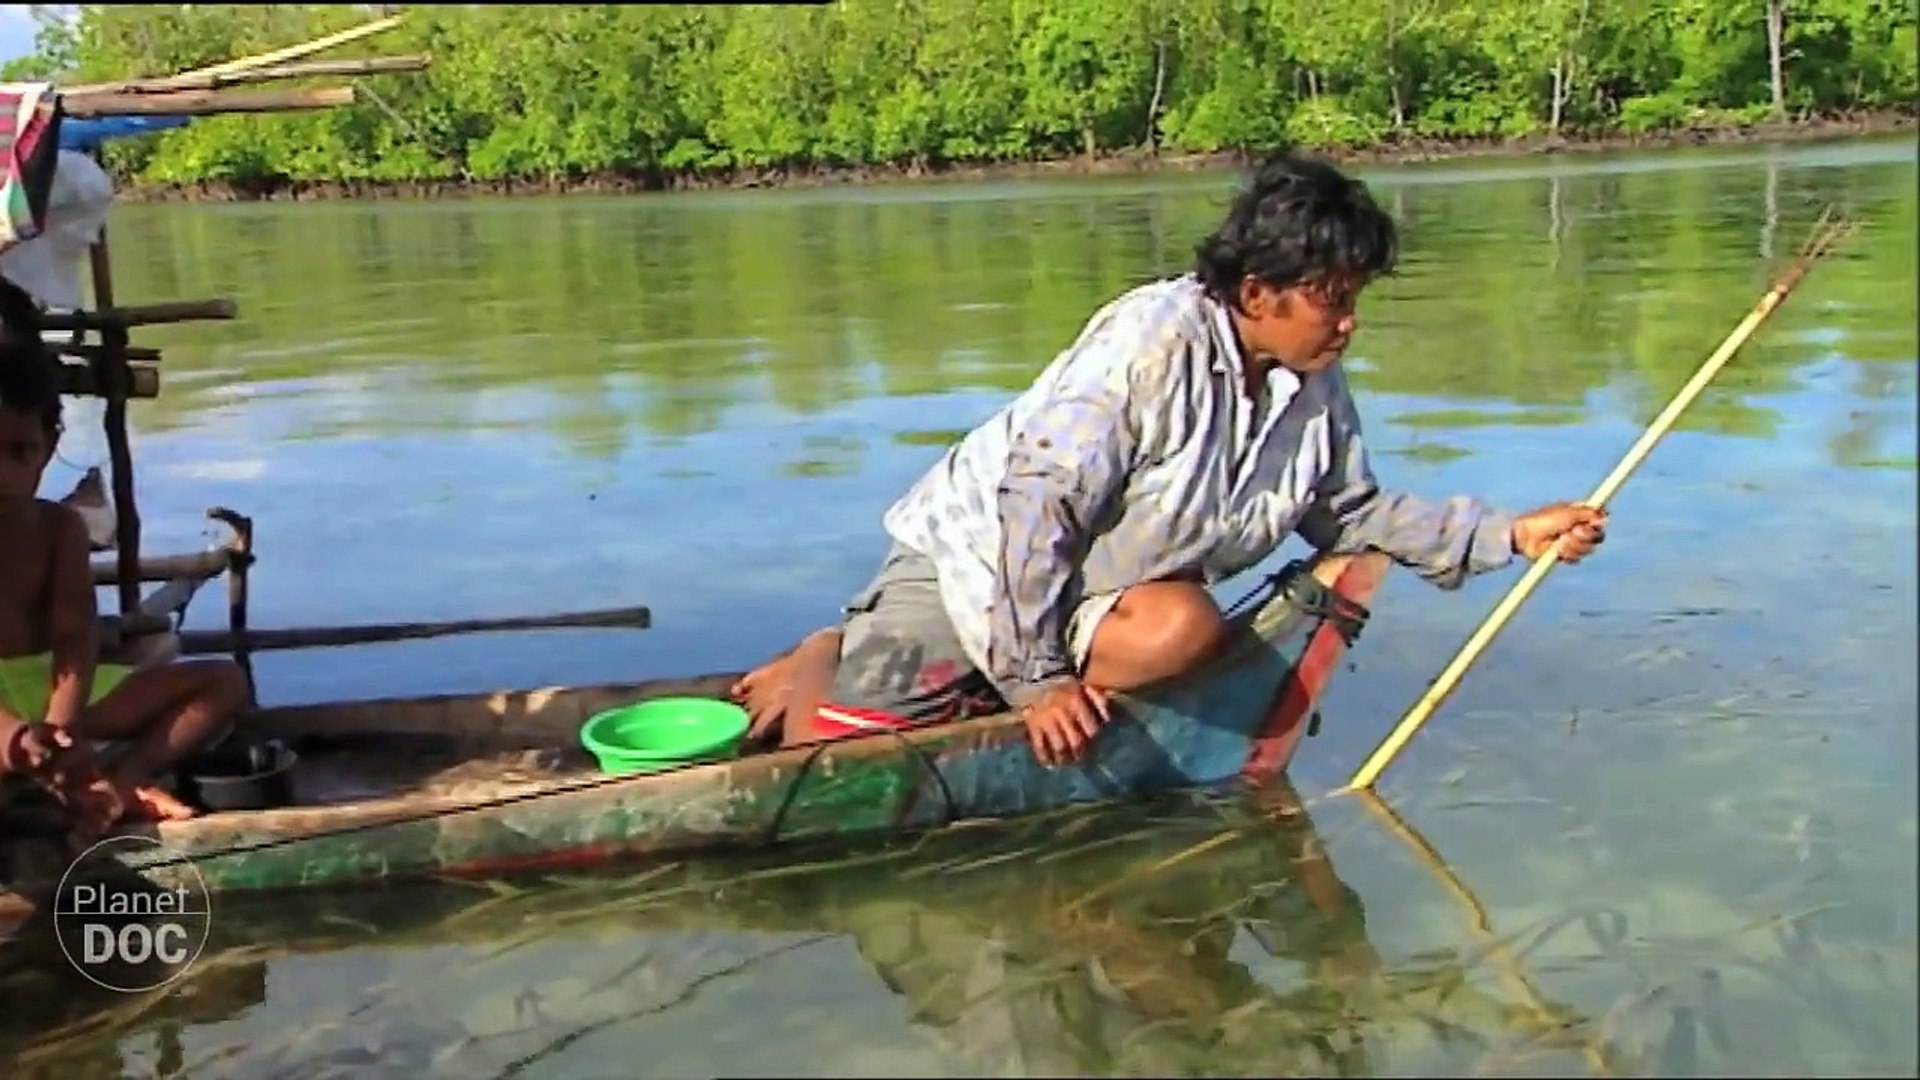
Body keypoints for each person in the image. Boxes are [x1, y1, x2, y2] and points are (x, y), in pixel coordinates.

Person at [734, 152, 1606, 765]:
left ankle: (1003, 689)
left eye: (1355, 301)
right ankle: (825, 653)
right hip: (977, 566)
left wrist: (1513, 535)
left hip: (1095, 595)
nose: (1349, 324)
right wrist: (1037, 683)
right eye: (1331, 302)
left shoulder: (1310, 381)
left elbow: (1349, 512)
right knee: (833, 762)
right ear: (1257, 294)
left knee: (1182, 627)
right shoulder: (1149, 347)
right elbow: (1037, 509)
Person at [0, 284, 248, 828]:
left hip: (48, 686)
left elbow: (74, 640)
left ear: (46, 450)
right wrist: (20, 740)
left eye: (19, 452)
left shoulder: (58, 529)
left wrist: (61, 732)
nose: (5, 474)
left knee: (223, 683)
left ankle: (121, 780)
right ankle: (47, 775)